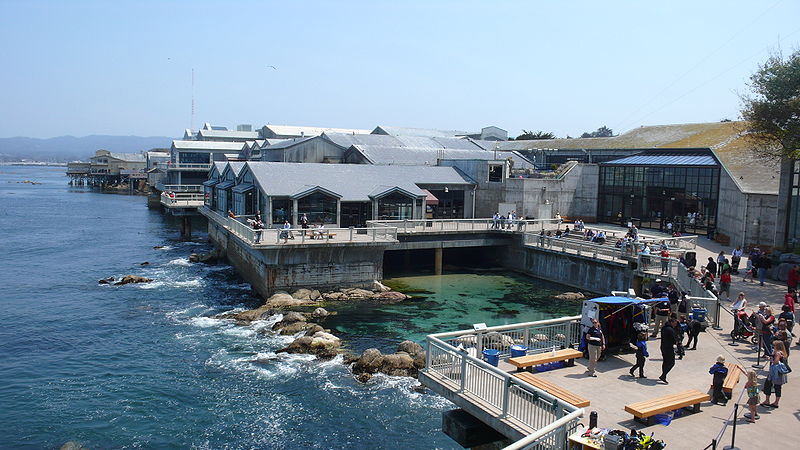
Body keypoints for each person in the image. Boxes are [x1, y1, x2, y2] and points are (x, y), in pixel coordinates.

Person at [761, 340, 788, 409]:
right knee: (778, 388)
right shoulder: (783, 353)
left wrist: (769, 359)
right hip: (780, 373)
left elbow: (776, 362)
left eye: (774, 346)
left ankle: (767, 401)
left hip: (775, 373)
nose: (773, 347)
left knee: (768, 385)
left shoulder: (778, 353)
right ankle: (776, 402)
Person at [659, 316, 681, 384]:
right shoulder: (671, 330)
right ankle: (663, 375)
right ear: (671, 322)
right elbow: (674, 340)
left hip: (663, 346)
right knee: (671, 363)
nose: (675, 325)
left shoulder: (663, 328)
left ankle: (664, 375)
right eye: (675, 323)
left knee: (665, 361)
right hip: (668, 348)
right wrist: (677, 342)